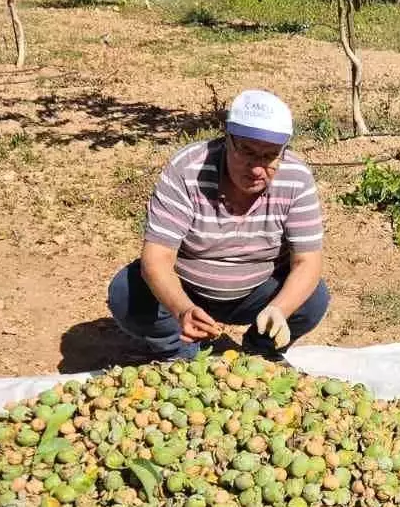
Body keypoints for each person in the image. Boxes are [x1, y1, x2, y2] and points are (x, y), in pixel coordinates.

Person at [107, 89, 330, 362]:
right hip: (187, 288)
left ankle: (260, 352)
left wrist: (280, 310)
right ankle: (179, 352)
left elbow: (307, 262)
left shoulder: (295, 178)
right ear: (227, 139)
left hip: (257, 293)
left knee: (312, 298)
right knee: (127, 292)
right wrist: (182, 309)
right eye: (247, 151)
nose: (257, 168)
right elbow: (157, 259)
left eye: (269, 155)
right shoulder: (187, 169)